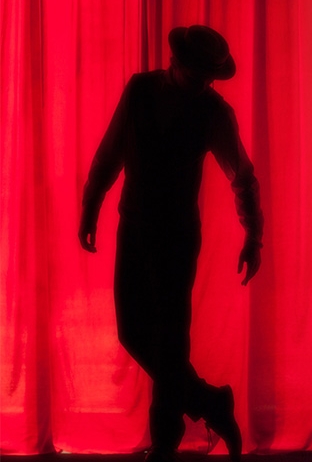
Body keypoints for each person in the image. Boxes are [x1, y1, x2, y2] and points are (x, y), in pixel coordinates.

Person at [79, 25, 261, 462]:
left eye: (207, 76)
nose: (202, 83)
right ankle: (209, 402)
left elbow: (242, 176)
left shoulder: (213, 111)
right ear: (175, 62)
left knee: (171, 337)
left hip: (178, 232)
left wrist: (253, 235)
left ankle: (165, 439)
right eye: (196, 72)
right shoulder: (140, 90)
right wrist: (91, 204)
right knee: (133, 332)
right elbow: (111, 152)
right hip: (135, 224)